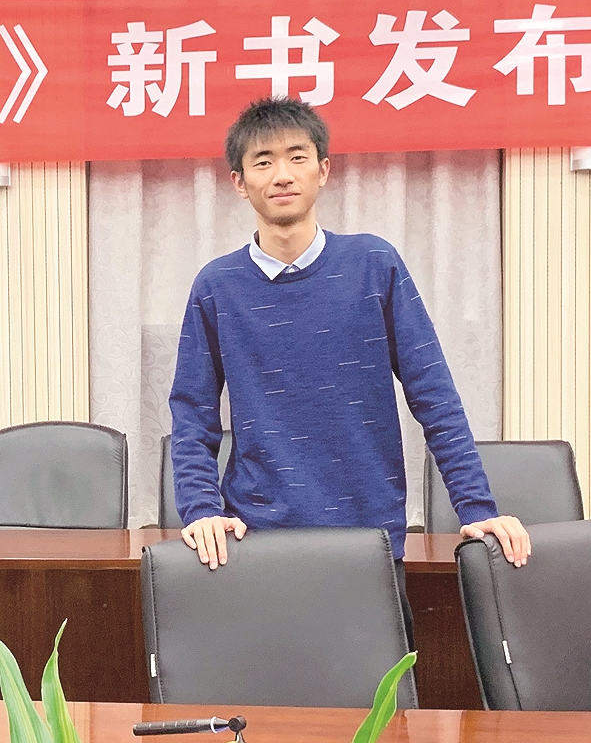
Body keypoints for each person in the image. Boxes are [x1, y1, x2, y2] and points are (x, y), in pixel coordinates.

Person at [168, 98, 531, 641]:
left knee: (382, 691)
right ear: (239, 182)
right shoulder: (216, 286)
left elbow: (434, 395)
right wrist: (200, 510)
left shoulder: (374, 265)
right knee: (271, 689)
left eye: (297, 157)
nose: (282, 174)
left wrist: (476, 508)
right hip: (256, 540)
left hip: (369, 537)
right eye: (263, 161)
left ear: (323, 170)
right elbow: (192, 415)